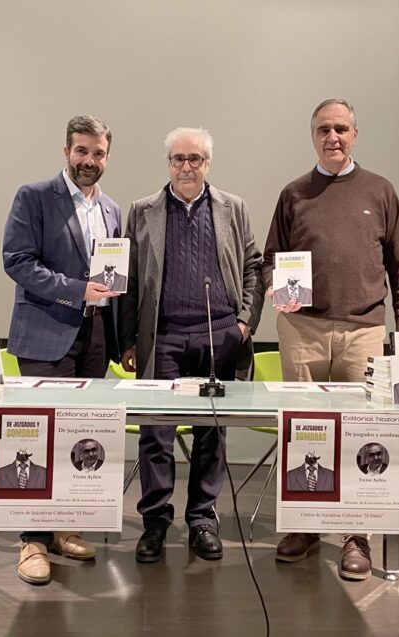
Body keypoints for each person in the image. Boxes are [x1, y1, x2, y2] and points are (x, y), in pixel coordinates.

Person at [264, 99, 399, 579]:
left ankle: (357, 536)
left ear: (355, 134)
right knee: (306, 432)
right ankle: (307, 525)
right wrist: (275, 283)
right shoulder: (294, 194)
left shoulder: (381, 191)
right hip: (302, 329)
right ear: (312, 136)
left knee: (366, 436)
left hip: (365, 331)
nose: (333, 136)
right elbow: (271, 258)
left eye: (341, 128)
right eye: (323, 129)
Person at [119, 126, 264, 564]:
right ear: (168, 164)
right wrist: (128, 339)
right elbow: (125, 280)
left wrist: (244, 321)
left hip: (218, 335)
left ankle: (202, 519)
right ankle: (156, 523)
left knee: (211, 432)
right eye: (179, 159)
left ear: (207, 164)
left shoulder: (232, 208)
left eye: (195, 159)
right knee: (156, 434)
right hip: (162, 337)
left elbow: (253, 266)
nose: (187, 166)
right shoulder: (143, 210)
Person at [2, 114, 121, 585]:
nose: (89, 161)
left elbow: (113, 279)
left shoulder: (111, 209)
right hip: (45, 334)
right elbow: (17, 261)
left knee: (77, 436)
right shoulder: (34, 197)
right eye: (81, 151)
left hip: (94, 340)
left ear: (107, 157)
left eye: (98, 153)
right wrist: (78, 290)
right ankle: (31, 541)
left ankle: (64, 527)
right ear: (66, 151)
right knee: (36, 436)